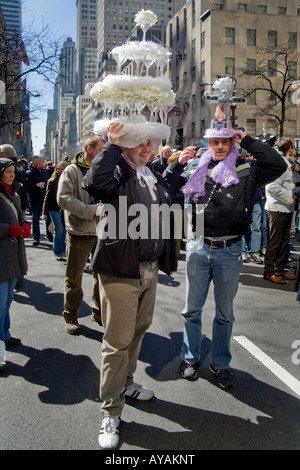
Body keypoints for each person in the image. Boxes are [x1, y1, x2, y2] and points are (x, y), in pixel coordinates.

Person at [164, 111, 287, 390]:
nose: (220, 147)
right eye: (215, 142)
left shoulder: (247, 169)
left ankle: (220, 364)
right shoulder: (196, 168)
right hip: (198, 248)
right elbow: (166, 189)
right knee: (191, 310)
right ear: (208, 144)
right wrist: (173, 165)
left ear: (232, 143)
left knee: (224, 314)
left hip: (230, 251)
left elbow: (278, 166)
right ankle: (190, 358)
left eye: (225, 142)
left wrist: (249, 141)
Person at [82, 122, 181, 450]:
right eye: (140, 142)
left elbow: (169, 209)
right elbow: (94, 184)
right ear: (124, 143)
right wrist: (111, 147)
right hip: (120, 272)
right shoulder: (116, 173)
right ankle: (110, 410)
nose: (147, 149)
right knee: (117, 342)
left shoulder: (151, 174)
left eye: (150, 144)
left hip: (149, 271)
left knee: (138, 333)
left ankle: (126, 384)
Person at [57, 135, 105, 335]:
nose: (104, 153)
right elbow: (63, 199)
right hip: (78, 232)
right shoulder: (71, 171)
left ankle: (98, 312)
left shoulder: (104, 170)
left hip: (102, 232)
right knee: (74, 278)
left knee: (101, 277)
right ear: (89, 149)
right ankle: (71, 315)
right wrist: (89, 210)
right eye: (101, 149)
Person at [0, 158, 31, 371]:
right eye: (7, 172)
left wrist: (25, 224)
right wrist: (8, 229)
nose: (11, 175)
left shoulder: (16, 193)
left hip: (14, 252)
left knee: (9, 298)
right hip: (2, 251)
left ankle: (5, 334)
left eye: (13, 171)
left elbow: (20, 216)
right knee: (0, 302)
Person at [263, 137, 296, 284]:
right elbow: (271, 187)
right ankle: (269, 271)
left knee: (284, 241)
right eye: (293, 148)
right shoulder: (281, 164)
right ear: (290, 148)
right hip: (277, 208)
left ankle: (280, 269)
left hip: (285, 208)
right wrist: (290, 196)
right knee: (275, 242)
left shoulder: (286, 163)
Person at [42, 161, 68, 261]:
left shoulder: (69, 180)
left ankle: (65, 250)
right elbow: (47, 196)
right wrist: (44, 212)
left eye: (62, 168)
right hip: (54, 208)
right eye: (58, 169)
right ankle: (58, 251)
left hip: (65, 209)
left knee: (65, 230)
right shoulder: (52, 181)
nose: (60, 171)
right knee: (59, 230)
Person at [26, 156, 49, 246]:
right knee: (35, 219)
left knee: (48, 218)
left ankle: (49, 235)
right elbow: (27, 186)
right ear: (37, 162)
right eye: (41, 161)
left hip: (45, 199)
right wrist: (36, 185)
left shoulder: (44, 171)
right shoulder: (29, 173)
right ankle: (36, 238)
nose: (43, 162)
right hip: (35, 199)